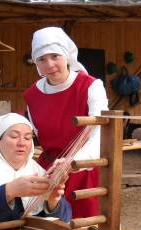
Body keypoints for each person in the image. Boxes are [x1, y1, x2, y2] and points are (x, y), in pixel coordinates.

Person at [23, 27, 109, 218]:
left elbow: (100, 131)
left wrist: (72, 162)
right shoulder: (32, 95)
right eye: (42, 59)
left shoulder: (91, 86)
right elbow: (32, 135)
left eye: (55, 56)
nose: (49, 64)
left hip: (83, 170)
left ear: (66, 55)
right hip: (49, 173)